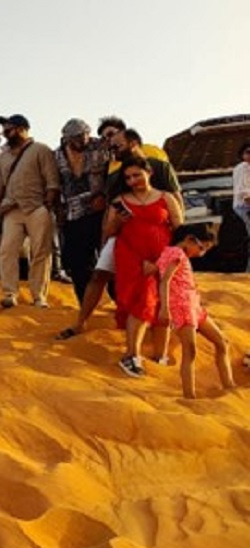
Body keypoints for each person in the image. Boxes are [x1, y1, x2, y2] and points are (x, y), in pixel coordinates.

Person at [57, 119, 183, 340]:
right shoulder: (115, 174)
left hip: (158, 236)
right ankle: (81, 322)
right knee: (99, 275)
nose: (112, 149)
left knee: (163, 281)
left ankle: (167, 326)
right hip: (124, 236)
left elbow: (176, 202)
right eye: (110, 145)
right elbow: (111, 209)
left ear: (132, 142)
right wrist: (107, 236)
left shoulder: (159, 165)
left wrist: (178, 243)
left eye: (117, 145)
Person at [106, 154, 183, 377]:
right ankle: (132, 355)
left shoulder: (166, 197)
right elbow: (109, 231)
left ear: (149, 173)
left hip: (162, 258)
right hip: (132, 258)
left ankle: (160, 356)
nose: (133, 181)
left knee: (163, 304)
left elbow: (180, 229)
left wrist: (164, 260)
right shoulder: (120, 200)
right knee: (144, 301)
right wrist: (118, 220)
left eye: (137, 175)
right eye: (128, 177)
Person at [156, 224, 236, 398]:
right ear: (190, 239)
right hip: (182, 307)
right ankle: (189, 395)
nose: (202, 254)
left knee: (222, 342)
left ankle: (229, 385)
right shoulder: (176, 253)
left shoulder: (176, 254)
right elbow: (165, 281)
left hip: (194, 306)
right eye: (202, 248)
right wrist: (164, 308)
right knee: (190, 350)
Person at [0, 114, 60, 308]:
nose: (5, 133)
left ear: (22, 129)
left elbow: (52, 181)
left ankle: (39, 296)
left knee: (41, 252)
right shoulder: (3, 156)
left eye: (9, 129)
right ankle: (9, 293)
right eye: (5, 129)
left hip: (37, 207)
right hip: (11, 209)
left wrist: (47, 206)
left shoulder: (41, 150)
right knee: (7, 250)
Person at [54, 119, 109, 303]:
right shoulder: (57, 155)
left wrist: (104, 196)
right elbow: (56, 184)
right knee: (78, 264)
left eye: (85, 135)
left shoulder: (101, 147)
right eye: (77, 138)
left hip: (100, 211)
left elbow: (112, 173)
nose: (82, 140)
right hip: (73, 214)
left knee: (109, 258)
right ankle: (85, 304)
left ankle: (117, 301)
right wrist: (59, 210)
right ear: (67, 139)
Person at [231, 141, 250, 272]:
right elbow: (243, 193)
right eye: (248, 152)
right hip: (244, 207)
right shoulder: (241, 169)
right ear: (242, 155)